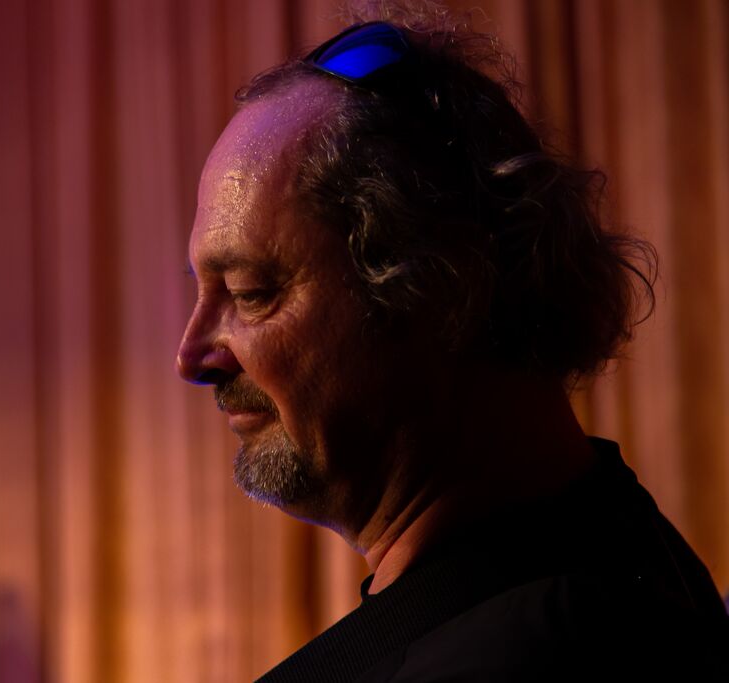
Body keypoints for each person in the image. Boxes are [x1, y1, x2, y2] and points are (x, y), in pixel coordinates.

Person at [175, 3, 729, 681]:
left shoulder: (540, 648)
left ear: (441, 290)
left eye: (250, 291)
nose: (191, 356)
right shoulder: (615, 540)